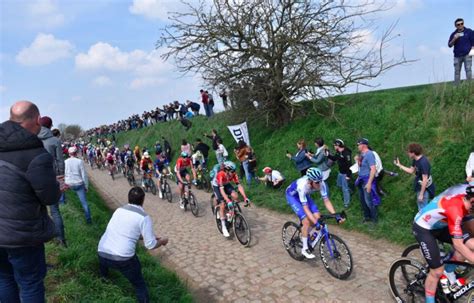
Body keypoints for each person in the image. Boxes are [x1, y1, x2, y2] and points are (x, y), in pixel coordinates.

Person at [0, 101, 62, 303]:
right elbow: (49, 198)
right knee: (30, 283)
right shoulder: (36, 153)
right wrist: (56, 187)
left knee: (4, 279)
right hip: (22, 234)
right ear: (37, 120)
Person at [98, 187, 168, 303]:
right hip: (123, 259)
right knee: (139, 285)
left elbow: (127, 232)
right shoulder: (144, 217)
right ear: (143, 200)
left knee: (105, 278)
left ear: (128, 198)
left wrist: (145, 237)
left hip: (102, 253)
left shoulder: (119, 210)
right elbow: (150, 245)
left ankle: (104, 287)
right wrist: (162, 241)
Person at [412, 185, 474, 303]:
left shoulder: (468, 202)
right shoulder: (456, 208)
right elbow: (458, 244)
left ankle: (448, 271)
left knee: (466, 247)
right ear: (472, 201)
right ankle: (430, 300)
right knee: (436, 271)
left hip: (441, 226)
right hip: (424, 228)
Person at [285, 167, 343, 259]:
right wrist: (315, 223)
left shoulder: (320, 183)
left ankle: (305, 235)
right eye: (317, 182)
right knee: (307, 221)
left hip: (304, 196)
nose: (319, 184)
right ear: (310, 181)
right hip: (293, 197)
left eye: (320, 181)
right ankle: (304, 249)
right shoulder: (302, 186)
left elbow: (326, 201)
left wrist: (335, 215)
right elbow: (306, 209)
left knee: (318, 217)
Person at [37, 115, 67, 247]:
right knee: (55, 210)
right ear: (50, 126)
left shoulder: (33, 139)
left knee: (38, 211)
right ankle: (61, 240)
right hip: (52, 176)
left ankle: (43, 240)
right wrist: (61, 177)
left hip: (36, 177)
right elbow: (60, 161)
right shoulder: (54, 140)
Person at [211, 161, 250, 237]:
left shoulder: (233, 174)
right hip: (217, 186)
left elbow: (239, 186)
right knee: (222, 203)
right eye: (232, 171)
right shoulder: (221, 174)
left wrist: (245, 197)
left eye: (234, 171)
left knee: (235, 196)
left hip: (226, 184)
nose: (234, 173)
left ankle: (230, 212)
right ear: (227, 170)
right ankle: (224, 227)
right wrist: (228, 200)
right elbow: (221, 190)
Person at [394, 143, 436, 211]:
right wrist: (399, 165)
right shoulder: (415, 160)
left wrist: (421, 194)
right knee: (422, 206)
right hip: (420, 186)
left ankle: (422, 221)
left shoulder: (423, 163)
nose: (408, 153)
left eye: (409, 152)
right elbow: (411, 171)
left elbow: (425, 179)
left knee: (422, 209)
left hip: (425, 188)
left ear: (413, 153)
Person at [354, 138, 380, 224]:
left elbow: (373, 169)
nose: (357, 146)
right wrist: (357, 160)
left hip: (367, 180)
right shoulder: (362, 154)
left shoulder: (369, 154)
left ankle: (374, 220)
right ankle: (367, 217)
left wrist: (369, 183)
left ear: (364, 145)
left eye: (358, 144)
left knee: (369, 201)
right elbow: (361, 166)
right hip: (361, 179)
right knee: (362, 200)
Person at [65, 146, 92, 224]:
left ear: (69, 154)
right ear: (76, 153)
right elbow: (84, 175)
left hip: (69, 183)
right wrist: (86, 186)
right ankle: (88, 220)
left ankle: (71, 215)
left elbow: (65, 173)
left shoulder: (65, 161)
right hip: (79, 183)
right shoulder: (79, 161)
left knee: (69, 198)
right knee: (84, 203)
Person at [327, 139, 353, 208]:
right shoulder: (338, 152)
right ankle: (350, 190)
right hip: (340, 172)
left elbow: (349, 165)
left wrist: (348, 175)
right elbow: (335, 158)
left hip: (345, 173)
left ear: (338, 145)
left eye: (334, 145)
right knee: (339, 184)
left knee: (344, 189)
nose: (334, 147)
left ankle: (346, 203)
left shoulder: (346, 153)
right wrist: (328, 155)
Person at [447, 18, 474, 85]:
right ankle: (457, 86)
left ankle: (470, 86)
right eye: (458, 24)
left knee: (468, 70)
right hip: (457, 56)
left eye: (462, 23)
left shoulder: (469, 31)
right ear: (455, 26)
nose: (460, 25)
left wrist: (472, 51)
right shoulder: (453, 34)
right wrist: (454, 39)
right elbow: (449, 45)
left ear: (463, 23)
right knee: (457, 72)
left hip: (467, 54)